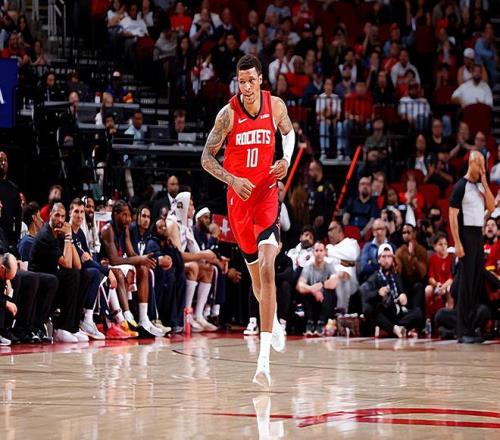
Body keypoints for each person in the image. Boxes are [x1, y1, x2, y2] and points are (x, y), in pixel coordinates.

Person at [201, 54, 295, 387]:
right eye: (242, 82)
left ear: (261, 79)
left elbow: (289, 134)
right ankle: (275, 321)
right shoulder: (227, 115)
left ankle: (263, 361)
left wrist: (285, 159)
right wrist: (232, 179)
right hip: (239, 202)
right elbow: (206, 157)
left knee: (268, 269)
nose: (247, 87)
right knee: (257, 280)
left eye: (252, 80)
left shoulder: (276, 105)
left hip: (266, 196)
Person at [449, 151, 495, 343]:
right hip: (466, 234)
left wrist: (485, 182)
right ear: (472, 164)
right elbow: (452, 216)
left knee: (475, 282)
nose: (483, 168)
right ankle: (462, 331)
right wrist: (457, 242)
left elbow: (491, 207)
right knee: (466, 284)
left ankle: (471, 328)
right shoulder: (461, 186)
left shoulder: (479, 186)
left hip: (478, 235)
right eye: (481, 164)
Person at [29, 203, 87, 343]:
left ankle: (73, 327)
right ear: (50, 214)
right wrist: (68, 236)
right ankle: (62, 328)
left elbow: (77, 265)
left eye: (63, 216)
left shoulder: (59, 234)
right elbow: (67, 264)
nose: (60, 220)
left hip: (52, 275)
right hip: (40, 277)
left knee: (82, 275)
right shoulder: (45, 235)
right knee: (71, 276)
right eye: (57, 215)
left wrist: (69, 238)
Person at [360, 244, 423, 338]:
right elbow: (365, 296)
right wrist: (378, 293)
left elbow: (403, 294)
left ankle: (391, 328)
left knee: (417, 313)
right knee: (369, 309)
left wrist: (403, 296)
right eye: (384, 257)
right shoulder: (374, 277)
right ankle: (395, 329)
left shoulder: (396, 276)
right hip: (384, 310)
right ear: (379, 259)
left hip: (397, 312)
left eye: (389, 257)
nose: (386, 260)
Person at [297, 241, 341, 336]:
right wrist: (313, 290)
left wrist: (321, 285)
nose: (319, 253)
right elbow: (300, 285)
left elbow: (334, 282)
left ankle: (322, 322)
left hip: (325, 302)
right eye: (317, 250)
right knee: (306, 291)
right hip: (313, 302)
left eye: (321, 250)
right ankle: (310, 322)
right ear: (313, 252)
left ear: (325, 252)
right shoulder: (308, 266)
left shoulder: (329, 266)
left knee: (328, 291)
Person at [0, 151, 21, 250]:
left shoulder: (13, 188)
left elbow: (18, 217)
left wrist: (15, 240)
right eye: (0, 160)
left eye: (5, 160)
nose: (3, 163)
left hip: (9, 239)